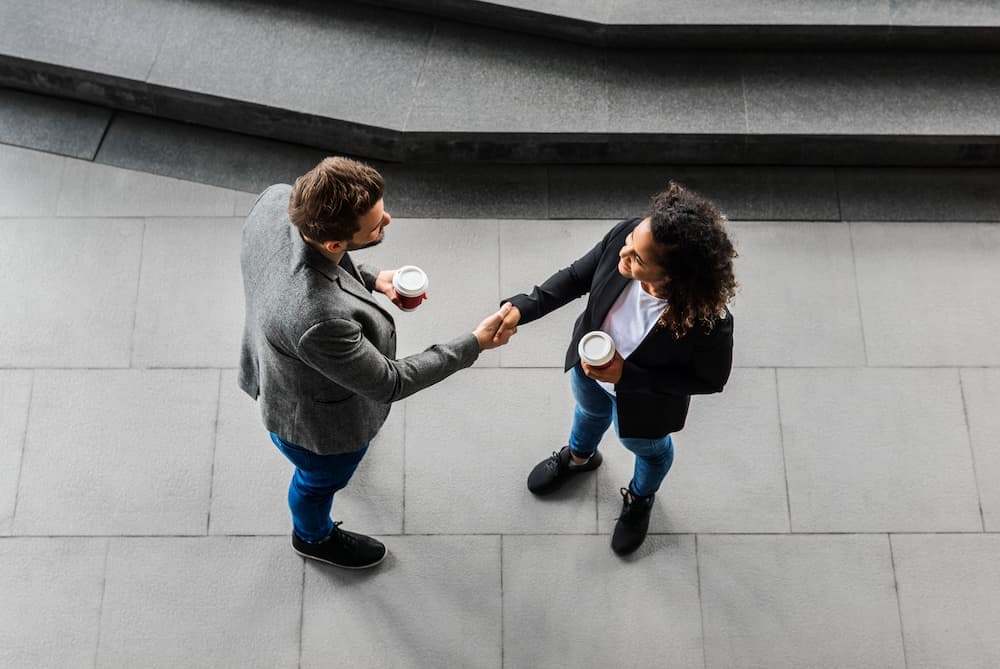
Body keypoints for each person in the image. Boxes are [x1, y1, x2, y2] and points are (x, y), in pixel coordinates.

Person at [239, 157, 514, 569]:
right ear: (336, 243)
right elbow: (390, 382)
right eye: (376, 225)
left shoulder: (277, 202)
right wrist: (474, 343)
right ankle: (312, 537)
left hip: (272, 360)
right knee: (320, 480)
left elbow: (306, 259)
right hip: (315, 424)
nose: (389, 218)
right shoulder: (318, 319)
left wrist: (371, 278)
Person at [495, 181, 737, 555]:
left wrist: (628, 377)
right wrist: (521, 309)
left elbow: (710, 380)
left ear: (672, 276)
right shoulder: (630, 234)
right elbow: (577, 277)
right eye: (629, 244)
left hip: (645, 405)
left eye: (637, 258)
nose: (624, 252)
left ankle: (640, 497)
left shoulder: (707, 321)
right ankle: (579, 457)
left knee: (649, 450)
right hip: (588, 370)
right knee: (588, 412)